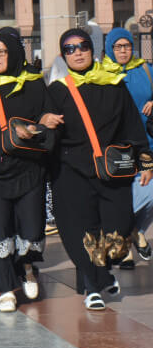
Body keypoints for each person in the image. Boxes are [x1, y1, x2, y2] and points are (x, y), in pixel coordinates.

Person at [47, 28, 152, 310]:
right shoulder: (56, 92)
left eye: (82, 46)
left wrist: (146, 161)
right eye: (70, 49)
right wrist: (44, 122)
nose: (77, 52)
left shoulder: (112, 83)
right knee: (82, 230)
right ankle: (93, 285)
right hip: (70, 171)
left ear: (93, 51)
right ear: (62, 56)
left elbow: (132, 124)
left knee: (119, 230)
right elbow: (45, 136)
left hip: (111, 171)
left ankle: (103, 272)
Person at [0, 28, 60, 312]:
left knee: (30, 225)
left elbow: (48, 121)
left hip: (29, 170)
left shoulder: (34, 83)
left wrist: (39, 126)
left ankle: (27, 266)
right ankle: (4, 288)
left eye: (0, 52)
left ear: (15, 53)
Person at [102, 27, 153, 269]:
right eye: (118, 46)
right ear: (109, 49)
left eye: (127, 46)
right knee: (123, 195)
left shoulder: (145, 69)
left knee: (149, 192)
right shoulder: (102, 74)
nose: (123, 51)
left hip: (147, 145)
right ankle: (128, 244)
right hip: (118, 149)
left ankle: (133, 231)